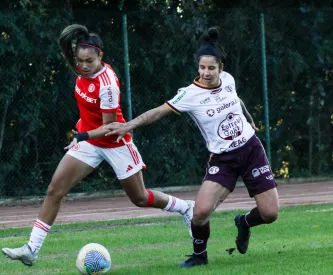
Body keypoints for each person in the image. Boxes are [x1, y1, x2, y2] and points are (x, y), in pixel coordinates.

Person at [1, 24, 195, 266]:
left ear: (100, 56)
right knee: (55, 189)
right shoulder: (80, 69)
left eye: (89, 61)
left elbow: (109, 127)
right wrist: (66, 39)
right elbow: (68, 54)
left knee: (140, 198)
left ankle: (186, 207)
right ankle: (32, 249)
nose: (83, 66)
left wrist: (80, 136)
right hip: (89, 141)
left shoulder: (108, 83)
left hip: (114, 142)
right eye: (79, 60)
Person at [104, 27, 279, 268]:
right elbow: (157, 112)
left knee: (270, 213)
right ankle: (199, 256)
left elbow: (236, 100)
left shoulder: (229, 80)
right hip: (223, 159)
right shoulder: (189, 94)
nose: (205, 73)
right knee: (200, 213)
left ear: (221, 68)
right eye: (202, 67)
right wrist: (128, 126)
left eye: (211, 68)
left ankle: (244, 223)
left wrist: (249, 119)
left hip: (251, 150)